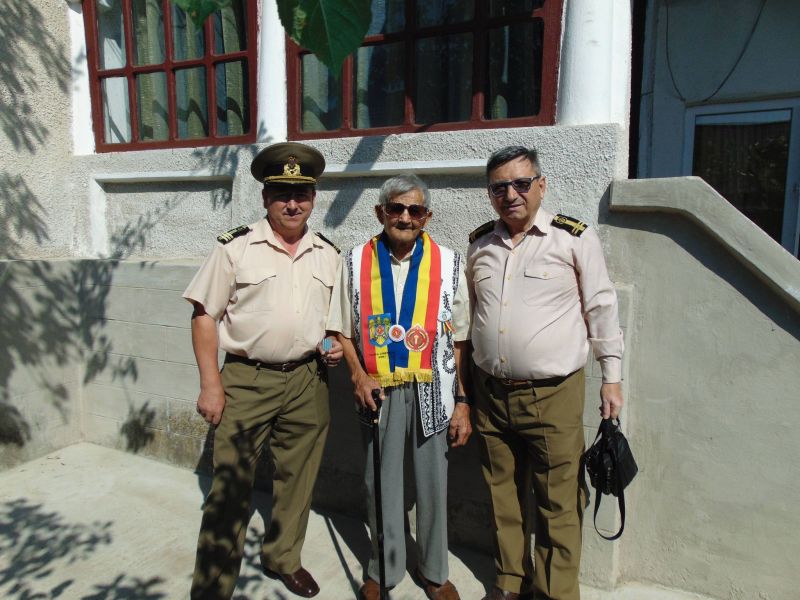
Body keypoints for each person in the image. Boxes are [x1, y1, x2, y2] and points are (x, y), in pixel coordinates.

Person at [184, 142, 343, 599]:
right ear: (265, 198)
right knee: (230, 487)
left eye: (301, 194)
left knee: (298, 479)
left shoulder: (328, 253)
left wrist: (331, 344)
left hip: (308, 380)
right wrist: (210, 384)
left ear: (313, 198)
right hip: (246, 380)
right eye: (282, 194)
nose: (292, 204)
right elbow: (203, 316)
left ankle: (282, 558)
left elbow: (331, 322)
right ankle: (213, 586)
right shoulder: (236, 248)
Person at [467, 146, 625, 600]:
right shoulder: (480, 244)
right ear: (490, 194)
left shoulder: (572, 238)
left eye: (521, 183)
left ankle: (555, 591)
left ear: (541, 185)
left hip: (552, 394)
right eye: (499, 187)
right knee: (502, 493)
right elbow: (472, 315)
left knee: (559, 498)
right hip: (491, 392)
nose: (510, 194)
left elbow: (600, 307)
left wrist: (611, 377)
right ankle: (510, 582)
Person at [327, 174, 471, 600]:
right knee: (381, 482)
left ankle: (435, 571)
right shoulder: (354, 260)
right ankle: (383, 567)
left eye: (415, 210)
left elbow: (460, 337)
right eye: (396, 208)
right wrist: (358, 376)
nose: (405, 217)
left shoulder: (450, 262)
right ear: (380, 212)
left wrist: (462, 400)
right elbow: (340, 328)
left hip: (433, 387)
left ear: (426, 216)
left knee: (433, 483)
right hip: (379, 390)